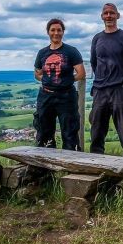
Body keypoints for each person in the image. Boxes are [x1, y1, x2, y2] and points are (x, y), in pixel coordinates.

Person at [89, 3, 123, 158]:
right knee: (97, 131)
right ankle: (95, 164)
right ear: (102, 17)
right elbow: (94, 62)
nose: (109, 16)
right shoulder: (97, 38)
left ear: (118, 16)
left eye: (112, 13)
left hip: (120, 90)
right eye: (106, 13)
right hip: (100, 91)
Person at [34, 18, 86, 150]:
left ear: (63, 32)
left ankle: (70, 165)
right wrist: (49, 81)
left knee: (69, 133)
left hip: (66, 96)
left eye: (59, 30)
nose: (56, 33)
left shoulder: (71, 51)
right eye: (53, 30)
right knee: (44, 132)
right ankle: (45, 165)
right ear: (48, 32)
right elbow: (38, 73)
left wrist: (65, 81)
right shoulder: (42, 53)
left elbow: (81, 73)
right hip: (46, 96)